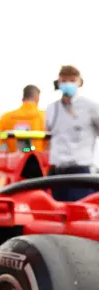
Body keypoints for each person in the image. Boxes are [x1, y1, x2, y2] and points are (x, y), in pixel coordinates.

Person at [46, 65, 99, 201]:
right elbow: (48, 137)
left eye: (71, 80)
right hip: (57, 172)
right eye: (64, 81)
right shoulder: (52, 109)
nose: (67, 84)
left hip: (80, 171)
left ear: (79, 82)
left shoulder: (90, 107)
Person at [0, 84, 46, 152]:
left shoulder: (6, 117)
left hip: (13, 160)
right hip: (37, 159)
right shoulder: (44, 117)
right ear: (37, 97)